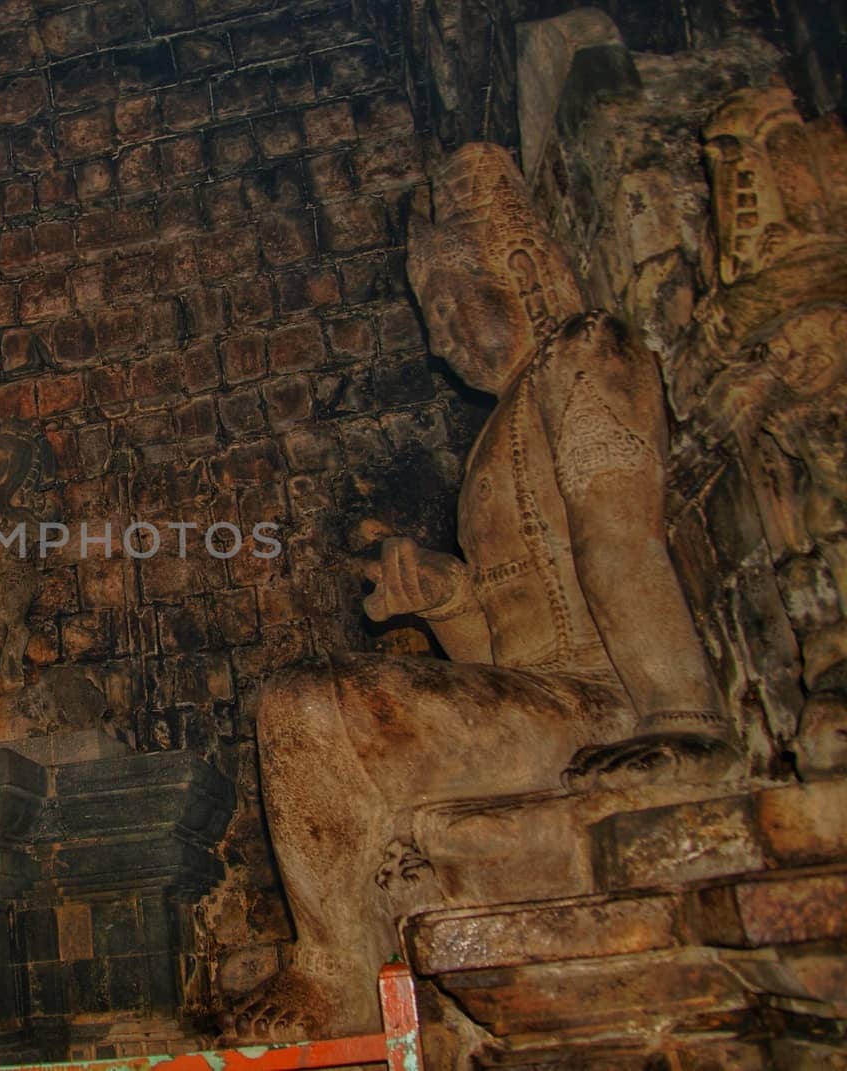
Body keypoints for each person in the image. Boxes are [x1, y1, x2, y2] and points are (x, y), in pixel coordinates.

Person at [230, 144, 735, 1040]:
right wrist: (449, 598)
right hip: (548, 698)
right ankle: (351, 964)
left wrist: (678, 718)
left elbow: (623, 539)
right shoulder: (492, 436)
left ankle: (334, 969)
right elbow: (501, 660)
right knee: (316, 712)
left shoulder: (587, 355)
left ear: (531, 272)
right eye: (431, 312)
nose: (439, 335)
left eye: (459, 300)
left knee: (307, 704)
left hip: (611, 699)